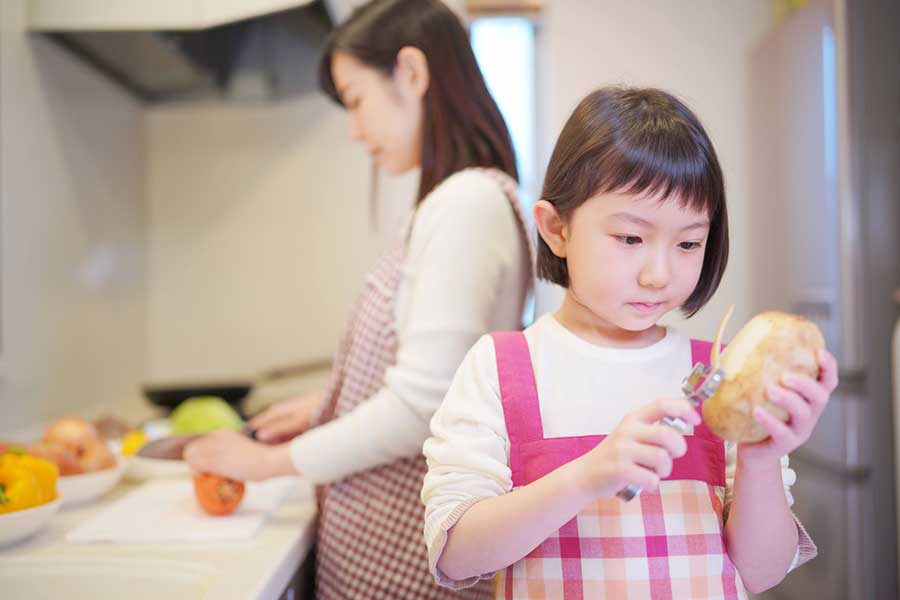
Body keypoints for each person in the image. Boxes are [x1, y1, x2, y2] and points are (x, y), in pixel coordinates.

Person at [422, 86, 837, 598]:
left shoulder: (718, 378)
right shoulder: (500, 368)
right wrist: (586, 477)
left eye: (689, 243)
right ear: (556, 229)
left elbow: (761, 571)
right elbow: (455, 555)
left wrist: (761, 457)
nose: (659, 274)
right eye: (630, 239)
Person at [184, 1, 531, 597]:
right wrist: (329, 401)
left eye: (355, 99)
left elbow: (423, 405)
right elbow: (445, 379)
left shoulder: (465, 204)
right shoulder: (465, 201)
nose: (354, 129)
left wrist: (269, 463)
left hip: (404, 566)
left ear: (412, 74)